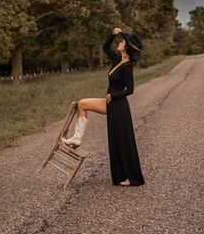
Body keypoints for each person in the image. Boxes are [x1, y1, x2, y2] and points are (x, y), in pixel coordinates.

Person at [61, 27, 145, 187]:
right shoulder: (116, 59)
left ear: (126, 46)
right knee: (82, 103)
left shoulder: (127, 67)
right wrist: (112, 35)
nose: (119, 43)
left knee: (122, 142)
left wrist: (113, 95)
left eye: (121, 41)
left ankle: (132, 177)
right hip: (110, 104)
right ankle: (77, 138)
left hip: (119, 107)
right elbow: (105, 47)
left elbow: (130, 90)